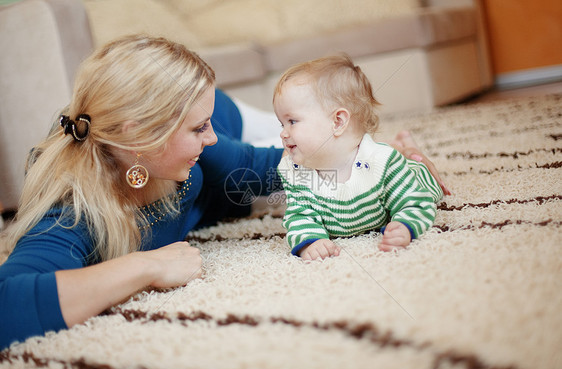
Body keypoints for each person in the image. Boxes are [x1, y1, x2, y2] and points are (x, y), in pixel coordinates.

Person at [0, 36, 445, 350]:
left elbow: (288, 166)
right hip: (201, 179)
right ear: (139, 137)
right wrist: (146, 265)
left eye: (203, 125)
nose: (210, 138)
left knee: (303, 142)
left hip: (234, 122)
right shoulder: (70, 211)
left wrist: (390, 167)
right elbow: (8, 307)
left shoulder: (209, 146)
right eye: (197, 128)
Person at [274, 54, 450, 261]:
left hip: (415, 175)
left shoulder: (383, 162)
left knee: (424, 175)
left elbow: (415, 201)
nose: (283, 134)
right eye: (281, 124)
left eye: (292, 121)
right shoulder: (295, 172)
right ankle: (403, 143)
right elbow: (299, 216)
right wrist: (311, 241)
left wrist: (405, 226)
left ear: (338, 122)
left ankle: (409, 148)